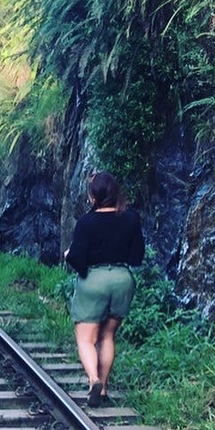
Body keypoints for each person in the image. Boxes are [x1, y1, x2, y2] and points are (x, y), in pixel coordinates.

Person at [64, 171, 145, 408]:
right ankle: (105, 387)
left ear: (93, 196)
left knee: (86, 339)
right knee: (108, 335)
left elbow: (78, 258)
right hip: (122, 279)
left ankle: (93, 380)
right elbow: (137, 256)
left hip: (94, 280)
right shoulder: (131, 219)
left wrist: (69, 256)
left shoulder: (86, 223)